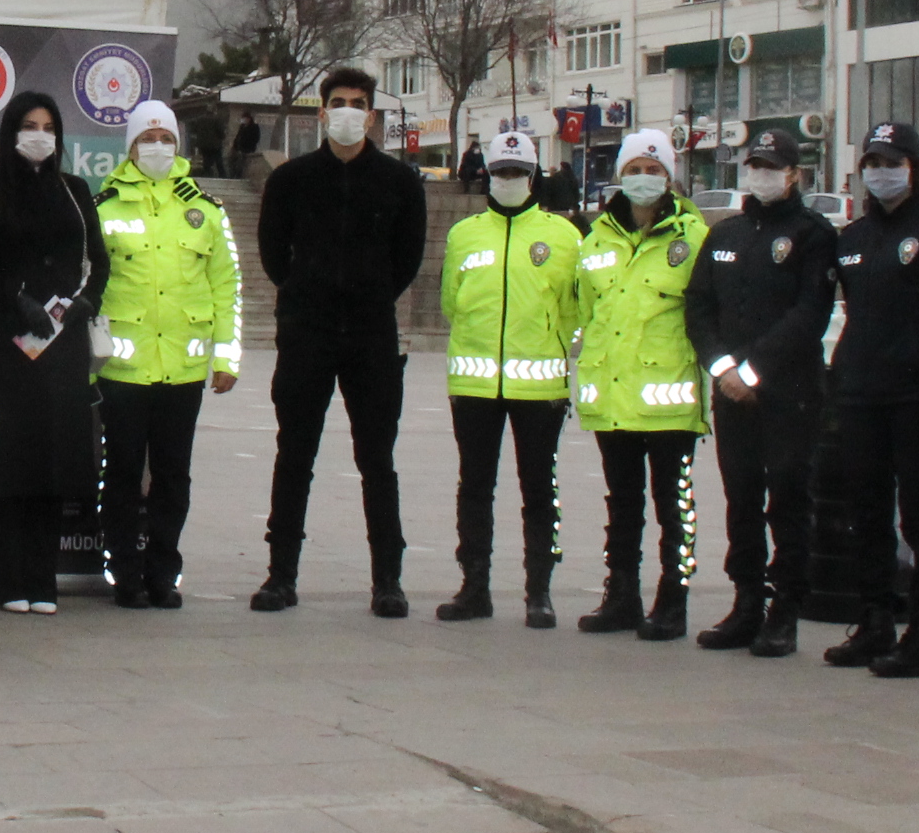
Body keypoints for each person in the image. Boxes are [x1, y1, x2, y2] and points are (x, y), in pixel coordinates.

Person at [253, 66, 426, 616]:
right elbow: (273, 255)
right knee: (294, 454)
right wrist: (308, 293)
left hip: (372, 335)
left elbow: (408, 259)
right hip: (307, 331)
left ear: (371, 115)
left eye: (358, 103)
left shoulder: (400, 183)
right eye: (338, 102)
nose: (348, 111)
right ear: (322, 111)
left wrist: (368, 294)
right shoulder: (290, 180)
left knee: (377, 459)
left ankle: (388, 581)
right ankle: (280, 576)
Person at [820, 121, 919, 678]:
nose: (881, 172)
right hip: (862, 391)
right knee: (868, 509)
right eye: (872, 162)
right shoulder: (853, 239)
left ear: (913, 166)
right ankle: (874, 617)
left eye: (892, 161)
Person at [0, 90, 108, 612]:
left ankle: (43, 579)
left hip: (60, 345)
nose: (40, 135)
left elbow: (99, 261)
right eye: (29, 125)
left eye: (48, 126)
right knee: (7, 457)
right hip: (4, 341)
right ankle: (9, 579)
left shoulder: (76, 191)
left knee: (52, 457)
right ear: (11, 133)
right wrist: (12, 297)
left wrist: (87, 301)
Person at [682, 123, 836, 657]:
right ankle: (746, 601)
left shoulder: (813, 235)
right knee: (741, 496)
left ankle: (785, 608)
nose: (761, 176)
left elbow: (809, 314)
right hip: (731, 392)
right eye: (754, 167)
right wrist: (723, 368)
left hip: (789, 391)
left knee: (789, 497)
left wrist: (753, 372)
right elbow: (699, 306)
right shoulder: (725, 234)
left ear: (794, 174)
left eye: (773, 168)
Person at [432, 129, 581, 626]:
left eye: (518, 172)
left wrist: (548, 343)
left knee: (540, 490)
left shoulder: (563, 236)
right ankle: (474, 587)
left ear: (533, 176)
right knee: (474, 486)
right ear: (487, 176)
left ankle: (540, 590)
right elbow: (451, 302)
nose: (509, 180)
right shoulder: (464, 233)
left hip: (539, 387)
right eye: (501, 172)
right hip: (475, 384)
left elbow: (573, 308)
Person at [91, 100, 236, 610]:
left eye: (165, 138)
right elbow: (89, 287)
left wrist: (227, 359)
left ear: (178, 144)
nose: (157, 146)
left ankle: (163, 572)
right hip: (123, 370)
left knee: (174, 475)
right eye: (146, 138)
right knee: (124, 472)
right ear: (130, 145)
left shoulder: (204, 209)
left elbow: (226, 288)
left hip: (184, 368)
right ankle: (123, 572)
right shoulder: (103, 207)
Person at [570, 128, 707, 638]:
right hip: (614, 397)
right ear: (619, 176)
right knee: (621, 503)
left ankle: (673, 600)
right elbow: (586, 309)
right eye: (635, 171)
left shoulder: (692, 237)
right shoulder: (599, 237)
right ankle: (621, 594)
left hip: (669, 398)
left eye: (654, 171)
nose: (644, 180)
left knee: (675, 507)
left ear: (669, 177)